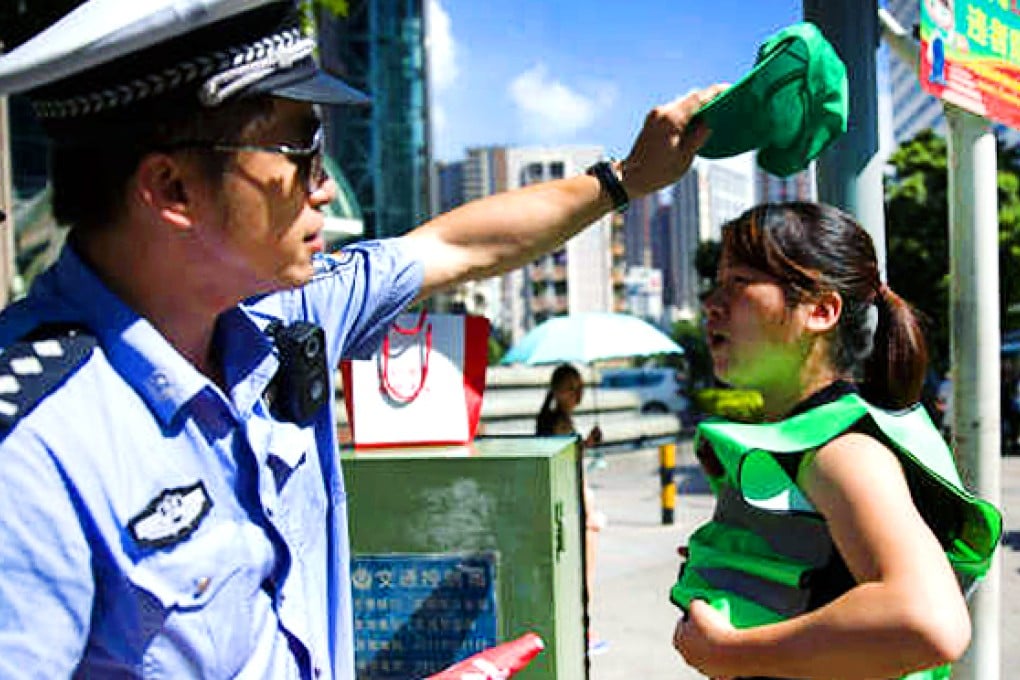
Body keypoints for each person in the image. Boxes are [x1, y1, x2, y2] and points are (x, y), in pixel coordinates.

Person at [0, 1, 725, 677]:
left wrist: (627, 178)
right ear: (171, 189)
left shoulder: (283, 319)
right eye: (300, 150)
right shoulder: (32, 452)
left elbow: (453, 247)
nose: (322, 186)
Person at [671, 203, 1001, 680]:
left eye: (739, 283)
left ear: (821, 310)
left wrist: (733, 651)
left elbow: (930, 623)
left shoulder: (842, 452)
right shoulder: (813, 442)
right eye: (716, 283)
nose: (712, 303)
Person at [535, 363, 608, 656]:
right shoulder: (560, 423)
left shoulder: (550, 420)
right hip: (577, 505)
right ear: (556, 391)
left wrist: (586, 443)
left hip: (569, 504)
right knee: (584, 575)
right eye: (570, 388)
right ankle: (584, 633)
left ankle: (580, 631)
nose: (577, 395)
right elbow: (569, 465)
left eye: (580, 388)